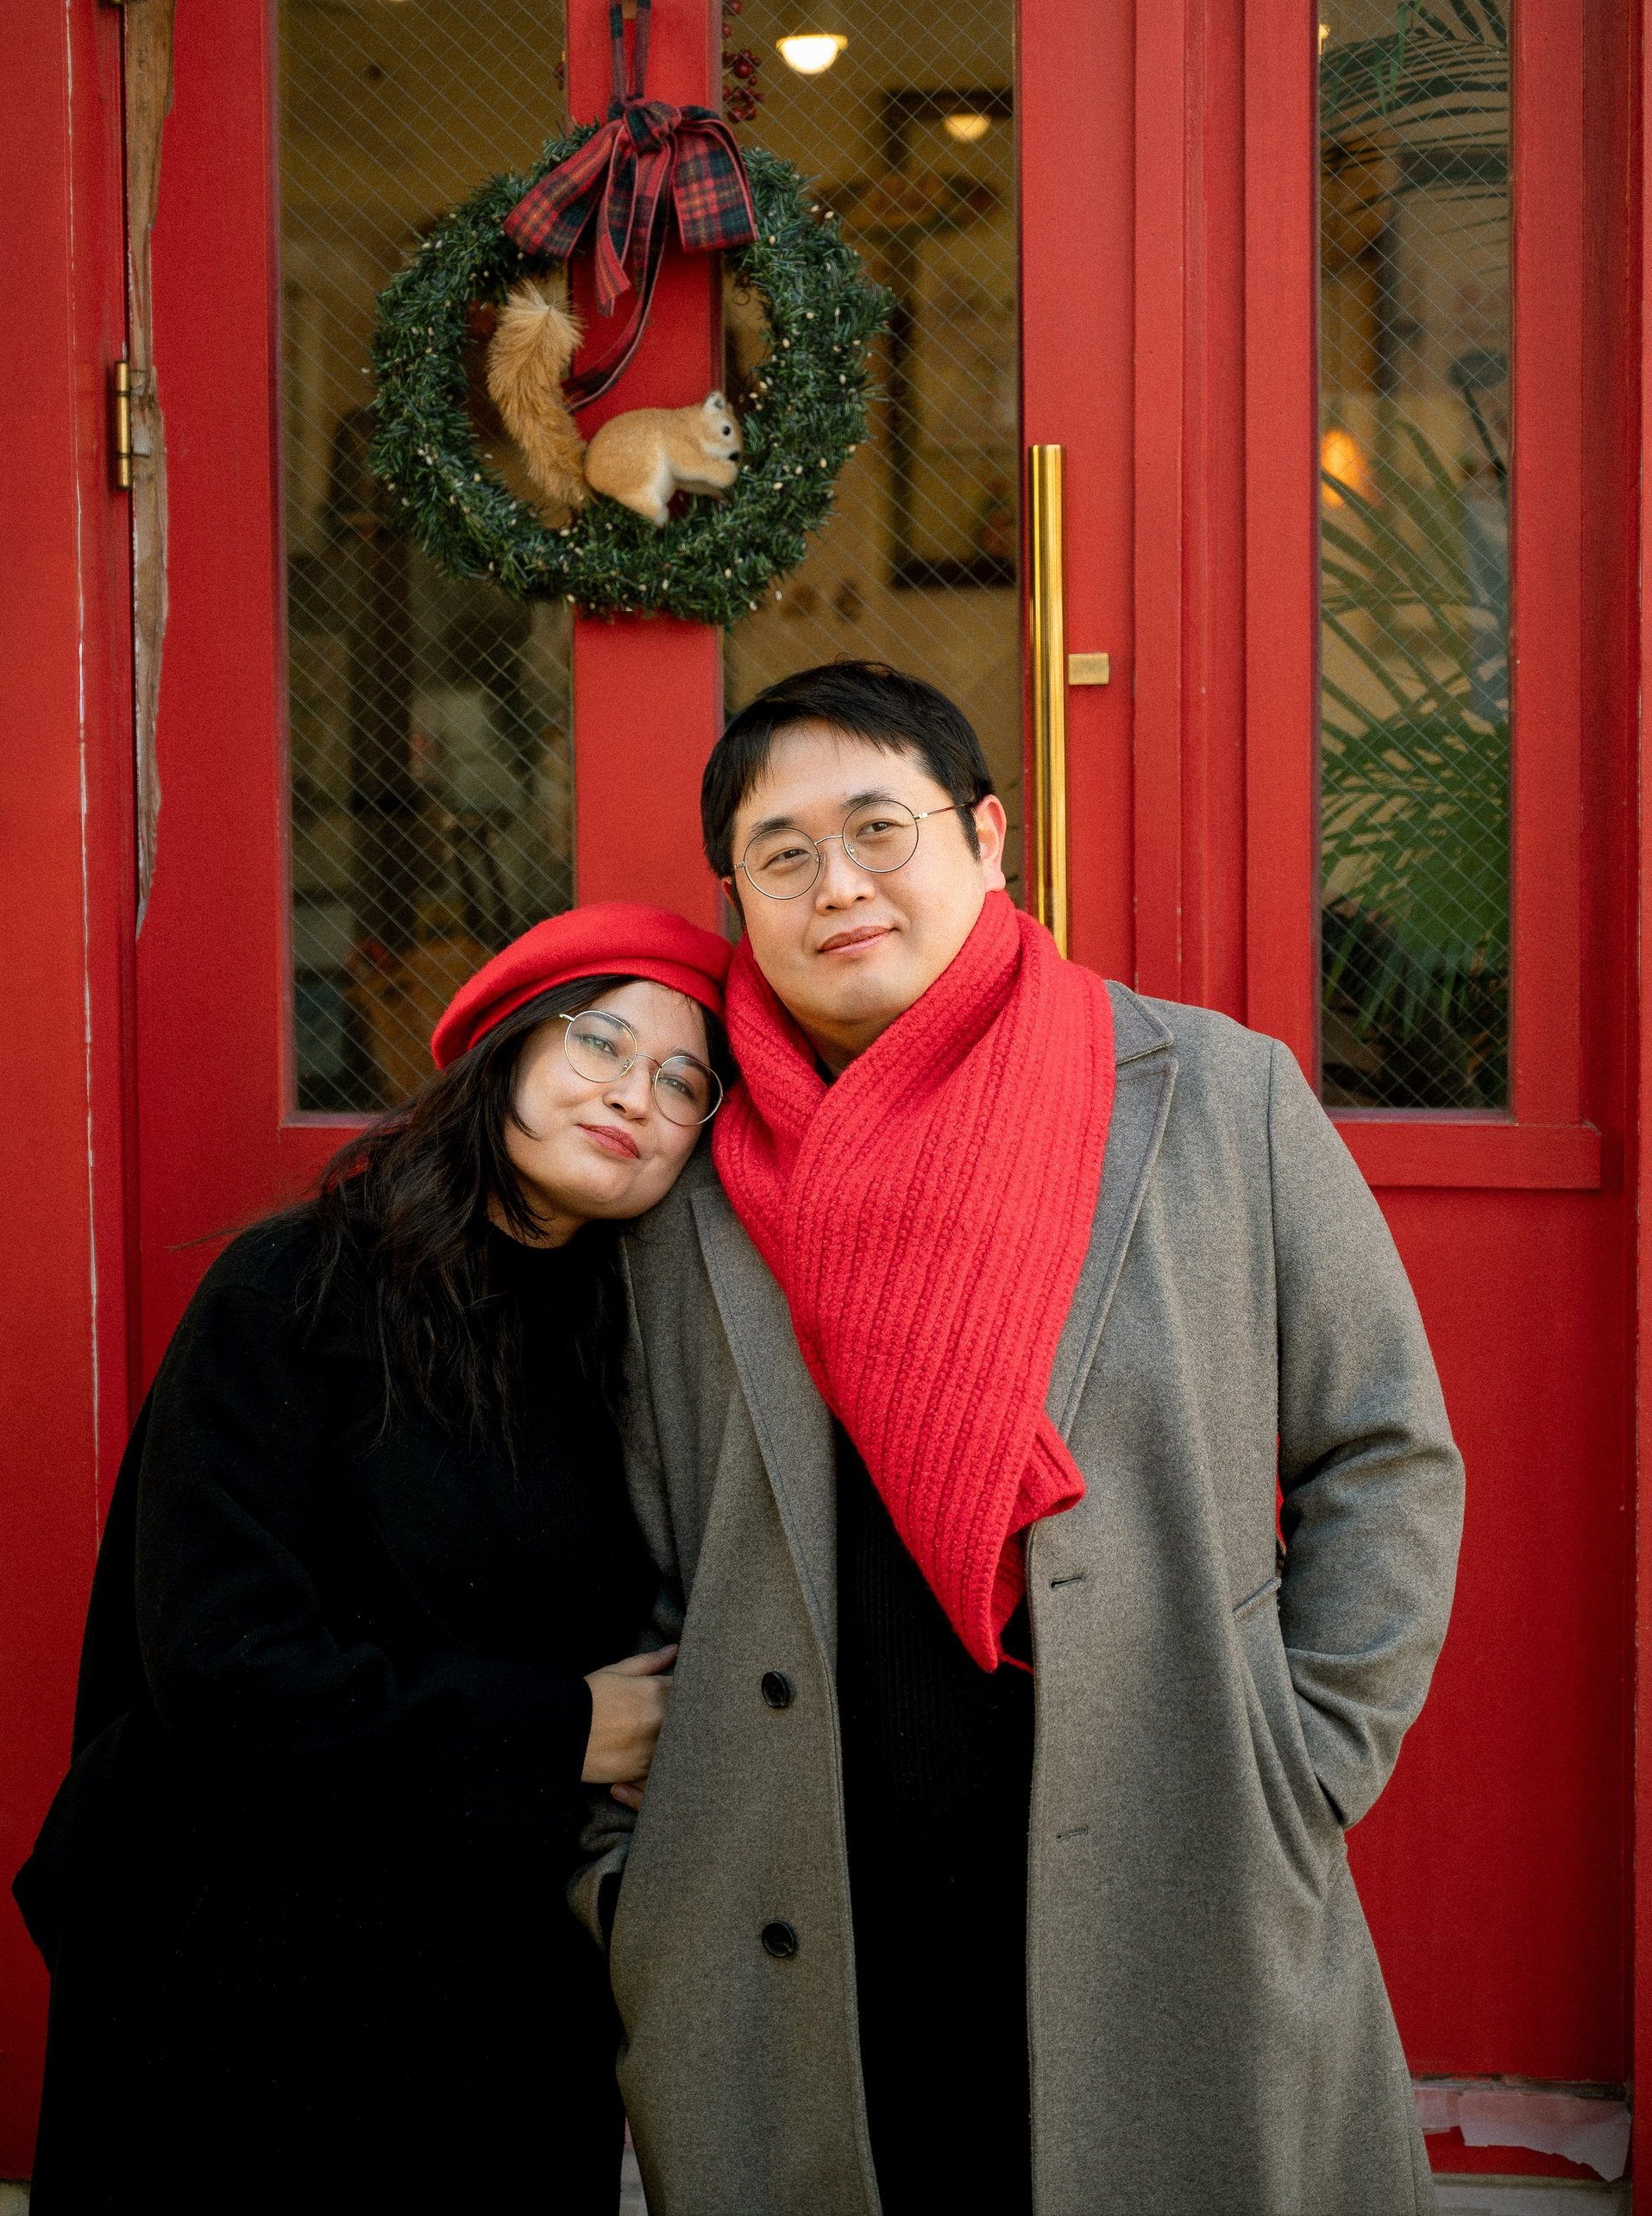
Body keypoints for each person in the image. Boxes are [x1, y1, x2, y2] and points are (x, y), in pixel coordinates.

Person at [579, 662, 1466, 2216]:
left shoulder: (1214, 1097)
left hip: (1174, 1857)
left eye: (879, 828)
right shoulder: (690, 1172)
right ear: (738, 899)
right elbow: (599, 1526)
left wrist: (1301, 1764)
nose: (836, 884)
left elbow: (1382, 1447)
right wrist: (622, 1870)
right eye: (782, 854)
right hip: (794, 1906)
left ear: (987, 837)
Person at [15, 903, 731, 2216]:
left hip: (494, 1983)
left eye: (685, 1081)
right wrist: (564, 1728)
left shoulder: (641, 1348)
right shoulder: (291, 1291)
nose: (637, 1095)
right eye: (601, 1042)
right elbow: (223, 1665)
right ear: (508, 1048)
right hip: (245, 1972)